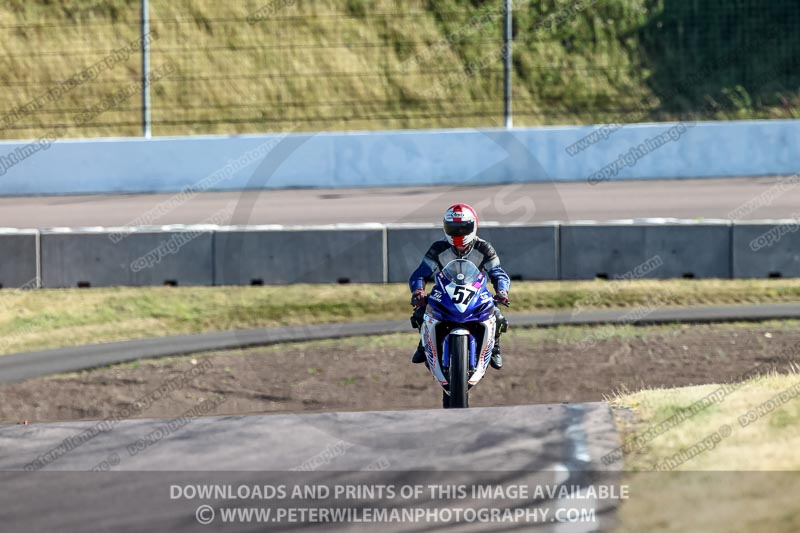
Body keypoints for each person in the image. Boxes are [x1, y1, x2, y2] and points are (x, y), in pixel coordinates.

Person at [408, 203, 510, 369]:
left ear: (473, 226)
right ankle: (423, 344)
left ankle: (495, 347)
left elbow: (498, 273)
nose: (458, 233)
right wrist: (418, 291)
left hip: (476, 293)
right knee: (420, 313)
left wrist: (502, 291)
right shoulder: (438, 248)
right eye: (453, 228)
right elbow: (421, 273)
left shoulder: (485, 248)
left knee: (497, 316)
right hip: (444, 292)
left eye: (463, 228)